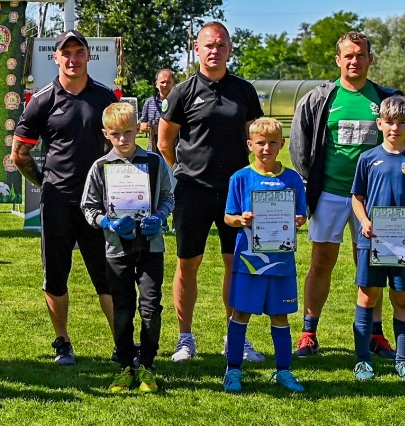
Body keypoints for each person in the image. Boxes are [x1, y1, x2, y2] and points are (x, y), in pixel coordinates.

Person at [158, 22, 264, 364]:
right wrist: (184, 172)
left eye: (220, 45)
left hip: (237, 193)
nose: (214, 50)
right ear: (197, 49)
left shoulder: (244, 91)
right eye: (208, 45)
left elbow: (258, 137)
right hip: (193, 192)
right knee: (188, 265)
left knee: (236, 266)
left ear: (229, 49)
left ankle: (235, 338)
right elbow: (164, 141)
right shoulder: (183, 92)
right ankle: (185, 339)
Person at [289, 32, 401, 358]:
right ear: (338, 60)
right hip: (330, 196)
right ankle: (309, 332)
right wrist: (313, 182)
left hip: (373, 201)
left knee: (370, 264)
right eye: (348, 55)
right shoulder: (320, 98)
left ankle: (375, 333)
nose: (354, 61)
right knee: (321, 263)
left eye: (360, 55)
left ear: (370, 58)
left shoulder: (384, 99)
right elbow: (300, 147)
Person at [13, 29, 118, 365]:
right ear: (55, 57)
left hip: (97, 206)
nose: (72, 59)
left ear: (88, 55)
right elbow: (19, 154)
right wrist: (45, 184)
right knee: (55, 276)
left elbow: (119, 146)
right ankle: (63, 343)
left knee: (107, 275)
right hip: (57, 203)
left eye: (79, 52)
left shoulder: (105, 99)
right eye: (66, 53)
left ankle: (122, 344)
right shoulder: (42, 101)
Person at [81, 101, 176, 393]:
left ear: (138, 129)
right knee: (122, 308)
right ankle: (124, 366)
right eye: (116, 134)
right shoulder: (100, 167)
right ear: (105, 134)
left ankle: (147, 365)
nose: (123, 139)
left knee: (150, 306)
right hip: (116, 250)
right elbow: (88, 206)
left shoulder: (155, 162)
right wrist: (106, 223)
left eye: (129, 132)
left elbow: (168, 198)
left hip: (150, 247)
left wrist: (159, 217)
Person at [221, 118, 308, 394]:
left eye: (272, 142)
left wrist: (297, 220)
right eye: (260, 143)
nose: (266, 148)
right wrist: (241, 220)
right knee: (241, 313)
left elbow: (302, 215)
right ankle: (233, 370)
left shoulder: (292, 178)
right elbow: (227, 217)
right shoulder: (240, 178)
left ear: (282, 144)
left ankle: (284, 371)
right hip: (249, 261)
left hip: (281, 262)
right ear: (250, 145)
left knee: (280, 316)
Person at [349, 96, 405, 384]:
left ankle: (404, 362)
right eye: (389, 122)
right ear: (379, 123)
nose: (395, 128)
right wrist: (365, 222)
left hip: (402, 243)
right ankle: (362, 361)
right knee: (367, 296)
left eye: (401, 123)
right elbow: (356, 198)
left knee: (401, 298)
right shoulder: (368, 159)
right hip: (371, 240)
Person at [137, 68, 175, 143]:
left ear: (173, 83)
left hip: (174, 148)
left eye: (168, 82)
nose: (165, 85)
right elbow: (141, 125)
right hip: (153, 148)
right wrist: (148, 127)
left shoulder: (180, 102)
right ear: (156, 84)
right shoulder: (149, 102)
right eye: (162, 82)